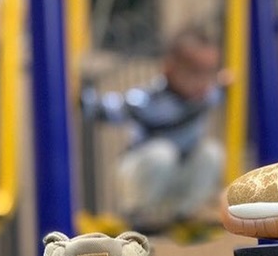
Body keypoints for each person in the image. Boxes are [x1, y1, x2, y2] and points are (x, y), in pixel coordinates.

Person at [82, 24, 232, 232]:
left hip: (179, 175)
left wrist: (228, 82)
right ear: (169, 69)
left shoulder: (206, 95)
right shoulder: (150, 99)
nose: (203, 82)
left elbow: (222, 89)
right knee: (163, 152)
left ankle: (186, 215)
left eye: (209, 73)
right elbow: (112, 108)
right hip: (142, 173)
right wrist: (84, 99)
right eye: (194, 73)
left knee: (212, 152)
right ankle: (138, 215)